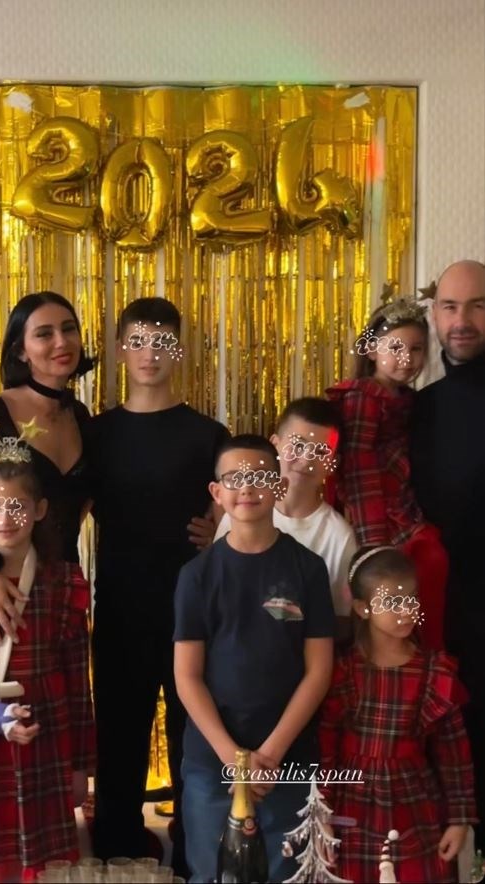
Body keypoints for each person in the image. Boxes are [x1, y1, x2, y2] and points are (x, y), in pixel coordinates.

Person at [85, 297, 230, 874]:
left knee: (192, 736)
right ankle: (116, 852)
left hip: (191, 611)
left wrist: (218, 527)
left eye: (163, 342)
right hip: (120, 603)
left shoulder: (207, 434)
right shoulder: (97, 433)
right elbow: (67, 511)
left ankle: (196, 854)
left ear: (180, 350)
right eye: (139, 342)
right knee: (119, 734)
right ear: (121, 349)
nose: (151, 354)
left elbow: (242, 505)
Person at [174, 434, 335, 883]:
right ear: (217, 492)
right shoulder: (196, 575)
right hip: (213, 760)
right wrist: (235, 760)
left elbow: (319, 670)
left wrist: (270, 754)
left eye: (260, 476)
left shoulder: (308, 568)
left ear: (279, 486)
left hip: (287, 755)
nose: (247, 487)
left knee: (289, 872)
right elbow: (187, 677)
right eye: (234, 478)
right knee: (211, 872)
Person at [0, 445, 94, 883]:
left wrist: (80, 765)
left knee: (42, 869)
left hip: (44, 737)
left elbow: (78, 681)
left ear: (40, 510)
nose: (4, 518)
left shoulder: (63, 582)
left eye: (18, 506)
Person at [0, 292, 93, 646]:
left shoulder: (80, 417)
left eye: (69, 329)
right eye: (44, 333)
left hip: (60, 593)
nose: (61, 341)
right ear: (21, 351)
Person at [319, 546, 476, 884]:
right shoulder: (342, 671)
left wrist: (459, 818)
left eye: (411, 599)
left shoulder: (434, 672)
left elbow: (454, 754)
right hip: (351, 804)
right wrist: (322, 812)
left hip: (414, 807)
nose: (406, 611)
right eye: (392, 602)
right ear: (362, 608)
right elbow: (325, 749)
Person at [410, 259, 485, 852]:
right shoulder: (416, 407)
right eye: (450, 307)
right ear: (433, 315)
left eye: (478, 306)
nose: (463, 320)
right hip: (435, 609)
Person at [326, 298, 448, 650]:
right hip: (381, 519)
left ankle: (420, 656)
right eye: (395, 348)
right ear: (370, 350)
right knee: (419, 570)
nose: (406, 358)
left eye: (416, 349)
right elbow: (358, 472)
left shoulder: (406, 398)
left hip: (403, 508)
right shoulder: (363, 397)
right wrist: (374, 544)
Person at [214, 397, 356, 634]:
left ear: (333, 462)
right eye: (297, 446)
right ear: (275, 446)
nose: (306, 460)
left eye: (321, 451)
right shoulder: (242, 510)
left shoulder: (339, 537)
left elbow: (340, 621)